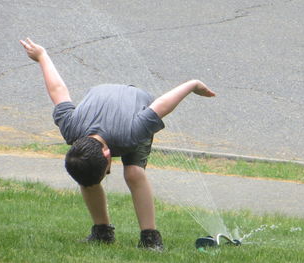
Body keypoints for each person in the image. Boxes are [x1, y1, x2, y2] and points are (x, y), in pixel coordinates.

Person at [19, 37, 216, 250]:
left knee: (133, 173)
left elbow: (161, 105)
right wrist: (42, 56)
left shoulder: (132, 132)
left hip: (134, 104)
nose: (108, 174)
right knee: (86, 173)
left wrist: (192, 84)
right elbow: (58, 91)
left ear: (108, 156)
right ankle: (102, 232)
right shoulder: (70, 128)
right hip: (102, 96)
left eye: (106, 172)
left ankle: (150, 237)